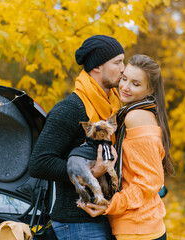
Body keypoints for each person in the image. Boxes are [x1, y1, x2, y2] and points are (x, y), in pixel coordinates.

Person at [29, 35, 125, 240]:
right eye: (117, 62)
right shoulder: (71, 108)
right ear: (97, 67)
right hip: (78, 223)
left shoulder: (115, 106)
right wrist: (91, 171)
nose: (123, 68)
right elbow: (39, 163)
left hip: (106, 216)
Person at [78, 54, 175, 240]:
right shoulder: (137, 112)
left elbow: (150, 180)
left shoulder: (135, 117)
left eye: (135, 84)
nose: (125, 87)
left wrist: (110, 205)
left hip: (139, 230)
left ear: (150, 89)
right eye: (124, 79)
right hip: (138, 227)